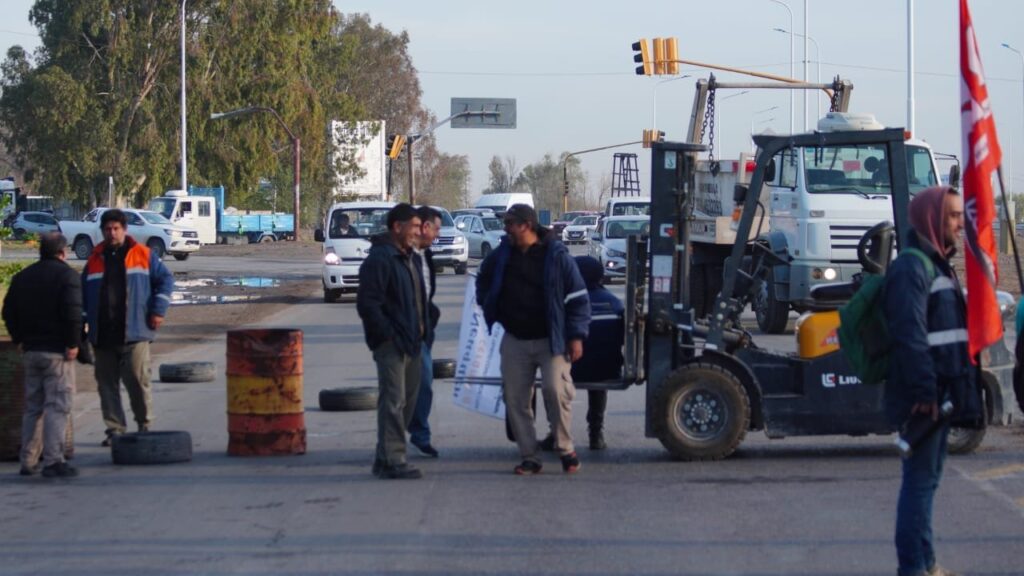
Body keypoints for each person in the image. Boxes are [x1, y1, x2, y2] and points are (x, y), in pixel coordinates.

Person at [884, 186, 983, 576]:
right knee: (920, 485)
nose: (961, 223)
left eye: (961, 215)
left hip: (941, 392)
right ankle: (913, 568)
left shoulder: (938, 264)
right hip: (924, 396)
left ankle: (926, 564)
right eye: (953, 216)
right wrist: (925, 390)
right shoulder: (912, 267)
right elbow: (911, 334)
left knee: (928, 483)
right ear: (932, 219)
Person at [476, 204, 590, 475]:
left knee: (555, 390)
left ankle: (565, 449)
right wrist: (489, 304)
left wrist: (576, 337)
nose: (506, 229)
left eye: (510, 223)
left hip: (551, 339)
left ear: (526, 225)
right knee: (515, 398)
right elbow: (483, 280)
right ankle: (530, 456)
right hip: (514, 338)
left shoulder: (556, 255)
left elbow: (578, 298)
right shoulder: (502, 254)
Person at [82, 208, 173, 446]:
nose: (112, 233)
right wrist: (84, 324)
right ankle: (115, 430)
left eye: (116, 228)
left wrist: (157, 310)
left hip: (135, 332)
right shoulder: (93, 260)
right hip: (102, 335)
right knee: (107, 386)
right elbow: (83, 296)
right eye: (108, 229)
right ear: (102, 231)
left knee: (137, 381)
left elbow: (165, 280)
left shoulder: (143, 254)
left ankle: (144, 425)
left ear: (124, 230)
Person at [357, 203, 431, 480]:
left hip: (413, 342)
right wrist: (386, 336)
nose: (418, 232)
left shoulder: (410, 257)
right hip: (391, 345)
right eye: (413, 227)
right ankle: (394, 459)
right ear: (396, 227)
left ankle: (383, 456)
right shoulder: (381, 259)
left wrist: (425, 330)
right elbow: (368, 304)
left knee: (406, 403)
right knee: (394, 401)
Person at [2, 233, 82, 478]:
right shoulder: (67, 276)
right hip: (57, 353)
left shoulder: (22, 277)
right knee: (57, 407)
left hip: (31, 351)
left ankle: (27, 460)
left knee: (32, 407)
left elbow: (8, 313)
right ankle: (53, 461)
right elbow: (73, 314)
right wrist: (73, 343)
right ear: (63, 252)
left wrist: (20, 340)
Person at [538, 255, 625, 451]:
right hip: (607, 370)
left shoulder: (566, 304)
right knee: (599, 373)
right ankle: (596, 433)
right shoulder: (615, 303)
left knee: (550, 378)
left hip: (572, 371)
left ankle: (555, 432)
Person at [408, 206, 442, 457]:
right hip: (402, 333)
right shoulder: (401, 255)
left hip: (423, 331)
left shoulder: (425, 255)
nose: (438, 235)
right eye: (437, 229)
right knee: (406, 389)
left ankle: (418, 433)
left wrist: (431, 314)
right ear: (425, 227)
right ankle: (395, 444)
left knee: (423, 384)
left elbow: (425, 293)